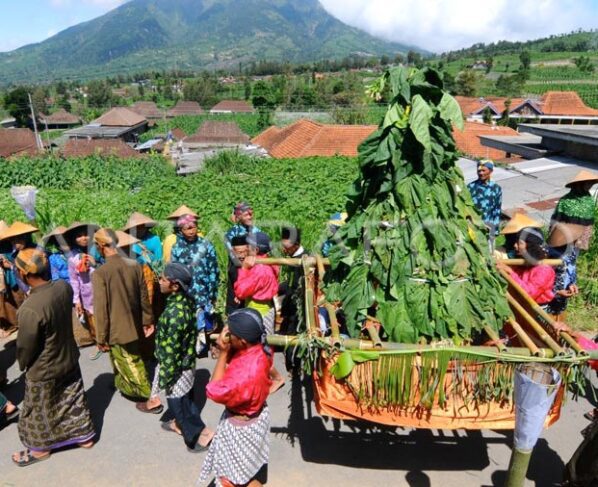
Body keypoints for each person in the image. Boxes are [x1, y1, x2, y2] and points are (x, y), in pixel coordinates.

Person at [11, 249, 95, 467]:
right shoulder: (63, 287)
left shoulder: (29, 308)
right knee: (72, 398)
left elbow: (26, 346)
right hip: (69, 357)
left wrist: (23, 363)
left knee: (40, 409)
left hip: (45, 367)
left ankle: (40, 450)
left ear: (22, 273)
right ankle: (84, 437)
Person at [140, 263, 214, 451]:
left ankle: (196, 436)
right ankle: (182, 425)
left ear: (175, 286)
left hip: (176, 367)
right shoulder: (185, 301)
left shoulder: (174, 314)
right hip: (187, 362)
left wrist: (166, 377)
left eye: (164, 279)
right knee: (186, 399)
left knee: (176, 402)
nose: (160, 281)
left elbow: (171, 352)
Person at [198, 308, 272, 487]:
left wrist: (223, 353)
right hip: (258, 418)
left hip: (239, 430)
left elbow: (213, 390)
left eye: (231, 334)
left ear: (243, 341)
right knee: (250, 467)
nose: (226, 335)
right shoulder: (264, 350)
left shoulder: (243, 375)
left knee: (231, 477)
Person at [92, 228, 154, 403]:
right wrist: (147, 319)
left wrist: (100, 337)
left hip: (116, 328)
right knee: (119, 358)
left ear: (101, 246)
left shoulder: (100, 273)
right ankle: (122, 384)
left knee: (130, 361)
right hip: (133, 321)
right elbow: (144, 296)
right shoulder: (134, 264)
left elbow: (101, 309)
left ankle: (147, 394)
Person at [234, 232, 284, 394]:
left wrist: (244, 268)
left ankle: (277, 378)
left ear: (255, 249)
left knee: (261, 348)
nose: (246, 249)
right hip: (265, 308)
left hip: (259, 312)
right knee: (262, 346)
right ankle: (263, 377)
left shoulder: (259, 269)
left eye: (248, 246)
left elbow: (241, 291)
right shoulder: (269, 263)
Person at [546, 170, 598, 318]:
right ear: (580, 185)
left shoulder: (588, 200)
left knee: (570, 268)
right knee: (557, 267)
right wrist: (554, 239)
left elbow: (588, 225)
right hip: (561, 241)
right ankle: (552, 302)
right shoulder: (565, 201)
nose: (589, 186)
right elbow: (555, 222)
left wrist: (582, 243)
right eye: (587, 183)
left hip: (576, 243)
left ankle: (561, 304)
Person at [171, 214, 219, 340]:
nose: (191, 231)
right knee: (188, 319)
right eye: (187, 228)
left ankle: (209, 345)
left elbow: (213, 269)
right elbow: (174, 271)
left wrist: (213, 292)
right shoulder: (176, 248)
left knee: (206, 318)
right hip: (186, 291)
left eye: (193, 227)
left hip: (203, 290)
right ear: (181, 230)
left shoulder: (206, 245)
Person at [65, 222, 100, 352]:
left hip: (103, 289)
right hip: (87, 293)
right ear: (73, 239)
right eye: (79, 236)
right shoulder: (73, 258)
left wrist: (95, 264)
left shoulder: (99, 251)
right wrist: (77, 300)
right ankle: (99, 341)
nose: (84, 238)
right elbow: (74, 280)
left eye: (86, 234)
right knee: (92, 318)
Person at [497, 227, 555, 306]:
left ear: (530, 245)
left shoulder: (543, 270)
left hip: (535, 311)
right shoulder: (522, 262)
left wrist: (510, 273)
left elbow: (529, 293)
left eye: (519, 243)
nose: (515, 245)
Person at [0, 222, 35, 338]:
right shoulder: (10, 250)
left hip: (26, 282)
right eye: (13, 240)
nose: (15, 242)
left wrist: (10, 266)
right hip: (15, 280)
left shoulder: (31, 250)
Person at [279, 227, 306, 371]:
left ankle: (293, 366)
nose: (284, 250)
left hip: (299, 307)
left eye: (286, 247)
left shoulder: (305, 260)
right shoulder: (292, 257)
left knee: (294, 335)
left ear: (296, 245)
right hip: (289, 305)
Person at [467, 160, 502, 238]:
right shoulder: (471, 187)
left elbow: (497, 210)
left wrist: (495, 229)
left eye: (483, 170)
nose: (481, 173)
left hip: (488, 227)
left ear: (490, 171)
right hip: (473, 226)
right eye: (479, 171)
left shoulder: (496, 188)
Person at [225, 235, 249, 315]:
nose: (242, 255)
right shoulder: (233, 264)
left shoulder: (252, 263)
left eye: (245, 251)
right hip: (234, 305)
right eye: (239, 252)